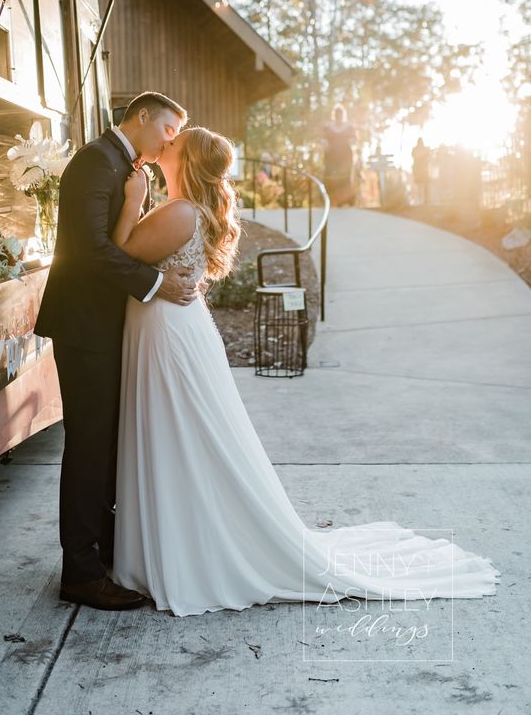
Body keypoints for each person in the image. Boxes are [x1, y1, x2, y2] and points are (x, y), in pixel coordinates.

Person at [109, 126, 500, 616]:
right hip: (170, 325)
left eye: (174, 142)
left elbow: (120, 251)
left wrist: (131, 196)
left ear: (185, 160)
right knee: (174, 434)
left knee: (178, 434)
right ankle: (170, 542)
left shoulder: (180, 210)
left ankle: (187, 550)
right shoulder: (183, 207)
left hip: (169, 332)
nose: (164, 144)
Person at [35, 91, 197, 611]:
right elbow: (91, 249)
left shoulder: (123, 166)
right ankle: (80, 573)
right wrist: (155, 283)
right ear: (143, 116)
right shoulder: (94, 161)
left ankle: (103, 553)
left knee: (107, 441)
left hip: (106, 324)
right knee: (87, 444)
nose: (171, 139)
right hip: (84, 326)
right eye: (169, 128)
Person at [321, 105, 356, 206]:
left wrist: (351, 142)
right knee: (330, 177)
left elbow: (354, 139)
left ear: (343, 115)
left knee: (345, 177)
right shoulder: (328, 127)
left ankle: (347, 201)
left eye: (340, 115)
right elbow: (323, 139)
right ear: (334, 115)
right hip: (331, 157)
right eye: (336, 115)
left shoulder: (349, 127)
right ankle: (332, 199)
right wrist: (325, 144)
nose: (338, 117)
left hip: (345, 157)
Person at [411, 137, 431, 205]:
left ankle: (424, 201)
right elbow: (414, 156)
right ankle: (422, 201)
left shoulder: (424, 149)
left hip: (423, 171)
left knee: (423, 186)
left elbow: (429, 156)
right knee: (420, 186)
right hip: (420, 171)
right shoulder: (417, 149)